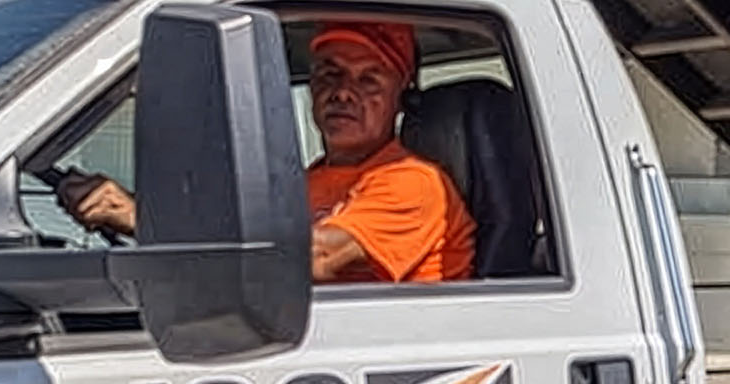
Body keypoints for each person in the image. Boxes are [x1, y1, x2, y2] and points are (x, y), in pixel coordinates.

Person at [60, 21, 475, 284]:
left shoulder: (415, 182)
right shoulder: (307, 182)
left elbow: (311, 257)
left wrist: (143, 219)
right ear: (310, 86)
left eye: (369, 80)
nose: (344, 92)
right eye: (330, 73)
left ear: (401, 98)